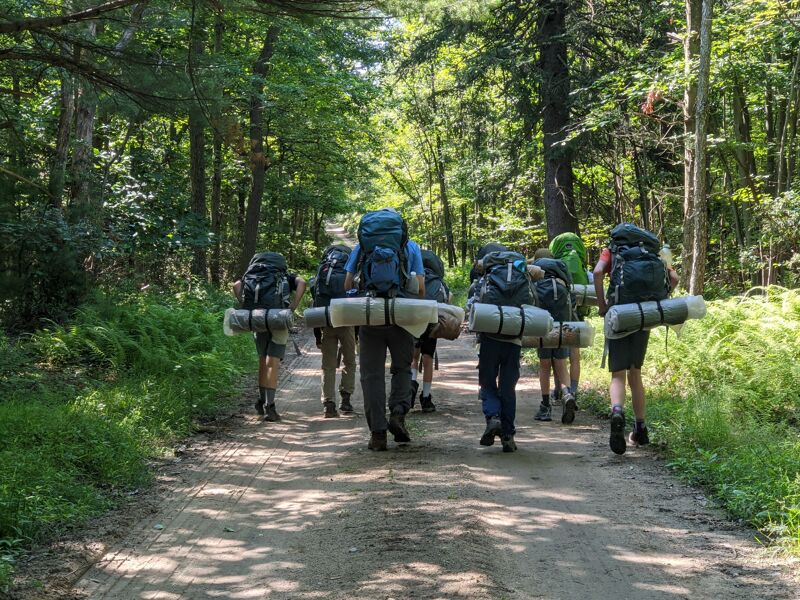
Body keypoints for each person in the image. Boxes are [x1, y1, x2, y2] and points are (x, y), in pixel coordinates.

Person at [344, 208, 425, 451]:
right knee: (402, 368)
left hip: (371, 319)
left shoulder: (361, 247)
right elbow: (420, 288)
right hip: (401, 318)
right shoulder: (410, 247)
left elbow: (348, 284)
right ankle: (398, 413)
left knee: (372, 375)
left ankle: (378, 434)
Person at [593, 224, 679, 454]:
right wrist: (660, 298)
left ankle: (617, 412)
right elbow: (674, 277)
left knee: (618, 373)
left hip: (620, 313)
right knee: (635, 371)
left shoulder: (612, 250)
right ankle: (640, 428)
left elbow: (598, 272)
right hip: (644, 314)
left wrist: (602, 305)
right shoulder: (655, 252)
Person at [471, 248, 537, 452]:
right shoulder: (522, 275)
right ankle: (508, 436)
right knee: (508, 387)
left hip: (490, 338)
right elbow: (532, 303)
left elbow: (473, 305)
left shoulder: (484, 278)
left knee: (487, 382)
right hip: (513, 339)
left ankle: (493, 418)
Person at [233, 252, 306, 423]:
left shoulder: (253, 274)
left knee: (262, 359)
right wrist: (293, 307)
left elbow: (236, 285)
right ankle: (270, 407)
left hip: (258, 318)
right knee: (272, 361)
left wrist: (245, 305)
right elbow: (302, 282)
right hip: (278, 318)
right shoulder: (284, 276)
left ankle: (260, 401)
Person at [531, 252, 578, 424]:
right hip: (562, 325)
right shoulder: (563, 279)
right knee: (561, 363)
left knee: (544, 365)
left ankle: (545, 407)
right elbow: (573, 304)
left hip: (542, 325)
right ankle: (567, 395)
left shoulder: (535, 280)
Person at [311, 244, 356, 418]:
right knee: (350, 362)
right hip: (347, 321)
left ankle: (328, 404)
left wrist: (317, 335)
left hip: (327, 320)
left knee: (328, 365)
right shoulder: (350, 267)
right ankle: (346, 400)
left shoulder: (323, 268)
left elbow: (315, 302)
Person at [549, 232, 591, 401]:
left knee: (558, 351)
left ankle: (559, 388)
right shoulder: (581, 266)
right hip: (578, 313)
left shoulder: (555, 266)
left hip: (559, 312)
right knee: (574, 354)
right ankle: (573, 390)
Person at [410, 249, 452, 412]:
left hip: (414, 321)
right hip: (431, 323)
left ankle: (412, 384)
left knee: (413, 357)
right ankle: (426, 398)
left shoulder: (413, 278)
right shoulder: (440, 282)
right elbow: (447, 302)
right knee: (427, 359)